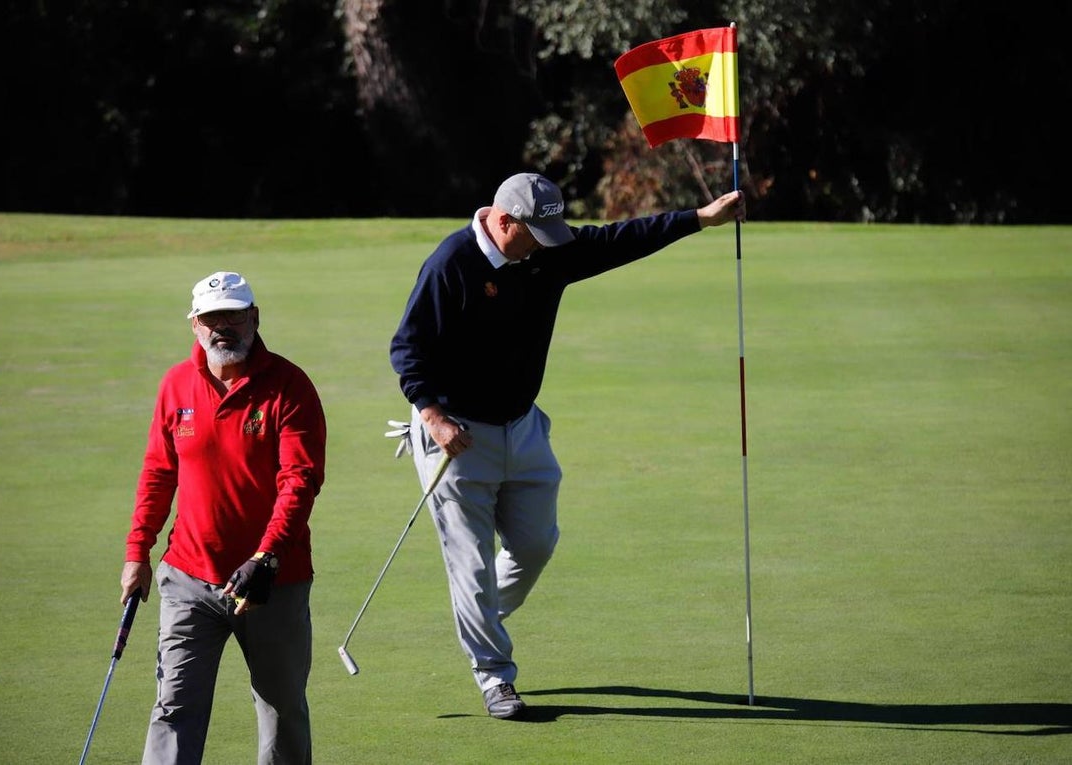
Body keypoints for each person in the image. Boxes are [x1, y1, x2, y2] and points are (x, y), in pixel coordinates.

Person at [389, 172, 745, 720]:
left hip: (522, 425)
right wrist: (433, 418)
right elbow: (408, 348)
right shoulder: (451, 264)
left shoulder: (546, 251)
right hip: (457, 436)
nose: (545, 246)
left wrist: (699, 219)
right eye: (535, 235)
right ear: (504, 221)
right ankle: (494, 677)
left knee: (534, 545)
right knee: (472, 566)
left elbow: (620, 240)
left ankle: (478, 619)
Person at [121, 270, 327, 763]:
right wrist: (137, 551)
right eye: (212, 318)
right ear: (195, 324)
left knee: (281, 711)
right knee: (174, 707)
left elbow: (299, 481)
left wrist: (266, 556)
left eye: (233, 316)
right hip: (188, 577)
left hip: (272, 583)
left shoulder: (289, 386)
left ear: (254, 317)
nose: (223, 328)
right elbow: (158, 473)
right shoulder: (176, 385)